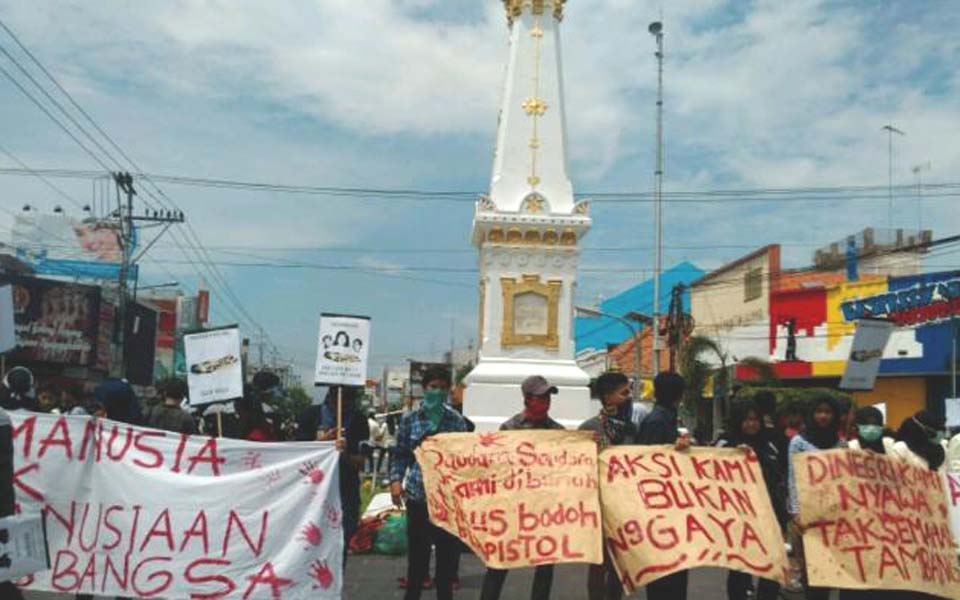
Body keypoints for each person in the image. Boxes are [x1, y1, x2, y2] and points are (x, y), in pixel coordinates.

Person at [481, 375, 564, 600]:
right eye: (541, 396)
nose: (546, 400)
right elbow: (497, 468)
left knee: (545, 566)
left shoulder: (559, 431)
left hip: (544, 509)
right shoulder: (509, 429)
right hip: (512, 507)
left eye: (548, 396)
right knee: (499, 562)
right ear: (527, 399)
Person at [390, 366, 468, 600]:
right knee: (417, 562)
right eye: (433, 387)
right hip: (418, 496)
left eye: (443, 388)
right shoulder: (409, 419)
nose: (437, 392)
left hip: (446, 500)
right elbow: (400, 453)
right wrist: (395, 481)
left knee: (446, 564)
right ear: (424, 389)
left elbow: (464, 458)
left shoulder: (456, 421)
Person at [715, 399, 786, 600]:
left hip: (769, 513)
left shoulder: (770, 442)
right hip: (739, 517)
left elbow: (778, 472)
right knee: (740, 568)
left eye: (755, 419)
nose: (751, 424)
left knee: (771, 566)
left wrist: (756, 455)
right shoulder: (725, 442)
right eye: (746, 420)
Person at [635, 372, 693, 600]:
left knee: (672, 572)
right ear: (679, 396)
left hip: (668, 506)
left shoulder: (666, 418)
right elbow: (647, 462)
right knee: (665, 574)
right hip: (662, 507)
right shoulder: (658, 421)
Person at [297, 386, 369, 567]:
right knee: (308, 542)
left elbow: (361, 463)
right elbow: (296, 455)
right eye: (340, 398)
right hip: (312, 493)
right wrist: (322, 444)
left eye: (349, 399)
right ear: (330, 395)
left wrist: (344, 453)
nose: (344, 404)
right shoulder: (310, 416)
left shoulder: (359, 420)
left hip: (345, 492)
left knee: (340, 543)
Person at [787, 395, 845, 600]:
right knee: (810, 572)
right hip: (806, 516)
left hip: (831, 518)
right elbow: (793, 478)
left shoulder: (840, 444)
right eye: (819, 411)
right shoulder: (799, 442)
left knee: (828, 570)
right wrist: (796, 512)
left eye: (828, 412)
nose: (823, 416)